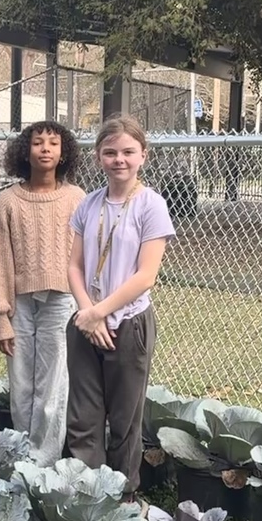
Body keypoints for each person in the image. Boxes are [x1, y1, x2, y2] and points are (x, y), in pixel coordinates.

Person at [66, 113, 176, 495]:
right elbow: (74, 265)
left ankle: (124, 495)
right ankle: (87, 494)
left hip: (128, 323)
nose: (119, 160)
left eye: (128, 152)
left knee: (125, 417)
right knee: (83, 415)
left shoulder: (151, 205)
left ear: (142, 155)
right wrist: (86, 312)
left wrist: (101, 311)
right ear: (98, 157)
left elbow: (146, 275)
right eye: (110, 152)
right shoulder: (88, 204)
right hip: (85, 323)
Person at [0, 122, 85, 464]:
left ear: (63, 152)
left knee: (53, 387)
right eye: (37, 142)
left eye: (53, 143)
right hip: (19, 304)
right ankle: (22, 456)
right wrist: (1, 318)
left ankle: (46, 461)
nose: (45, 149)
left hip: (61, 301)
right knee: (22, 385)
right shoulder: (7, 200)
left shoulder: (76, 198)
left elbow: (85, 254)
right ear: (24, 151)